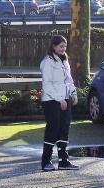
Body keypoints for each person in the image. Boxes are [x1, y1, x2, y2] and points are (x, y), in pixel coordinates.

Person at [39, 35, 78, 172]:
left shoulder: (64, 61)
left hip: (65, 99)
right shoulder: (48, 62)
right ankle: (46, 161)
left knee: (64, 129)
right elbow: (47, 85)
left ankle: (63, 161)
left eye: (65, 46)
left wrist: (73, 94)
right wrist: (59, 99)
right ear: (54, 46)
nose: (63, 49)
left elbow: (69, 80)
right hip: (51, 101)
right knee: (53, 129)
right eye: (61, 46)